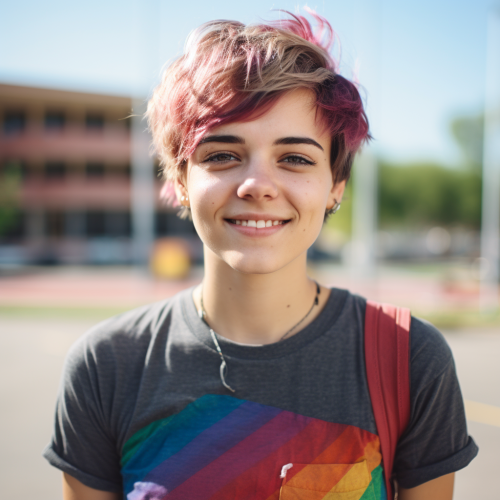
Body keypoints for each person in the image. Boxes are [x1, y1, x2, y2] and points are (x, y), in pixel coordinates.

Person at [44, 11, 478, 500]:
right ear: (180, 181)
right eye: (222, 154)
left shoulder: (411, 359)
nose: (257, 186)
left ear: (335, 186)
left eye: (295, 158)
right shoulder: (107, 365)